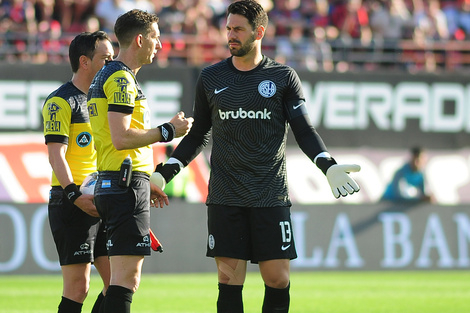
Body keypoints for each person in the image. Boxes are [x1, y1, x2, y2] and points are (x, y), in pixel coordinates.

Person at [152, 1, 361, 312]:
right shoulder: (211, 77)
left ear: (259, 32)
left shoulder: (283, 77)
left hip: (270, 195)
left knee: (277, 279)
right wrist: (163, 172)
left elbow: (304, 130)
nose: (230, 35)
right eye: (228, 29)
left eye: (238, 29)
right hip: (226, 194)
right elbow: (199, 135)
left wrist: (327, 166)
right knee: (228, 280)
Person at [86, 9, 193, 313]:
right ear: (140, 39)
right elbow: (121, 138)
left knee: (116, 282)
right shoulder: (120, 78)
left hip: (119, 182)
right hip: (124, 186)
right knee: (126, 281)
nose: (159, 45)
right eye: (156, 38)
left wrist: (146, 179)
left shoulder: (109, 75)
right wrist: (169, 130)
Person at [42, 31, 114, 313]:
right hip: (71, 199)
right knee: (78, 288)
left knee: (120, 283)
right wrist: (74, 194)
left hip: (104, 197)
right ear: (85, 62)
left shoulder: (105, 101)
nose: (111, 64)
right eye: (105, 59)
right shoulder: (60, 101)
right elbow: (55, 154)